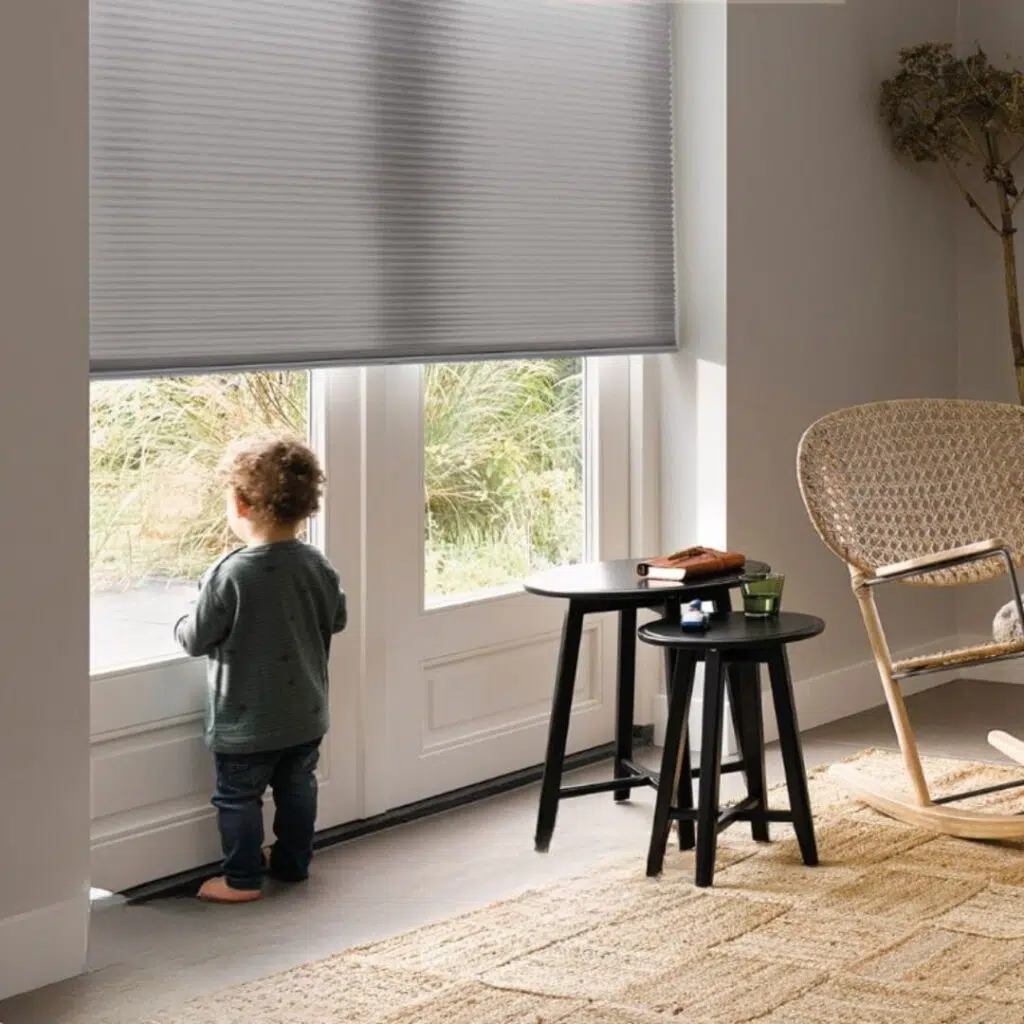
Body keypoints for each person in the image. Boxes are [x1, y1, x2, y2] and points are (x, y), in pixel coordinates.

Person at [174, 434, 347, 903]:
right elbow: (338, 618)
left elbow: (195, 638)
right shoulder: (318, 564)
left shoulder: (230, 573)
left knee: (238, 798)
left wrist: (182, 618)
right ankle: (293, 863)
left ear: (241, 503)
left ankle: (242, 878)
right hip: (305, 714)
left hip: (245, 722)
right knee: (297, 789)